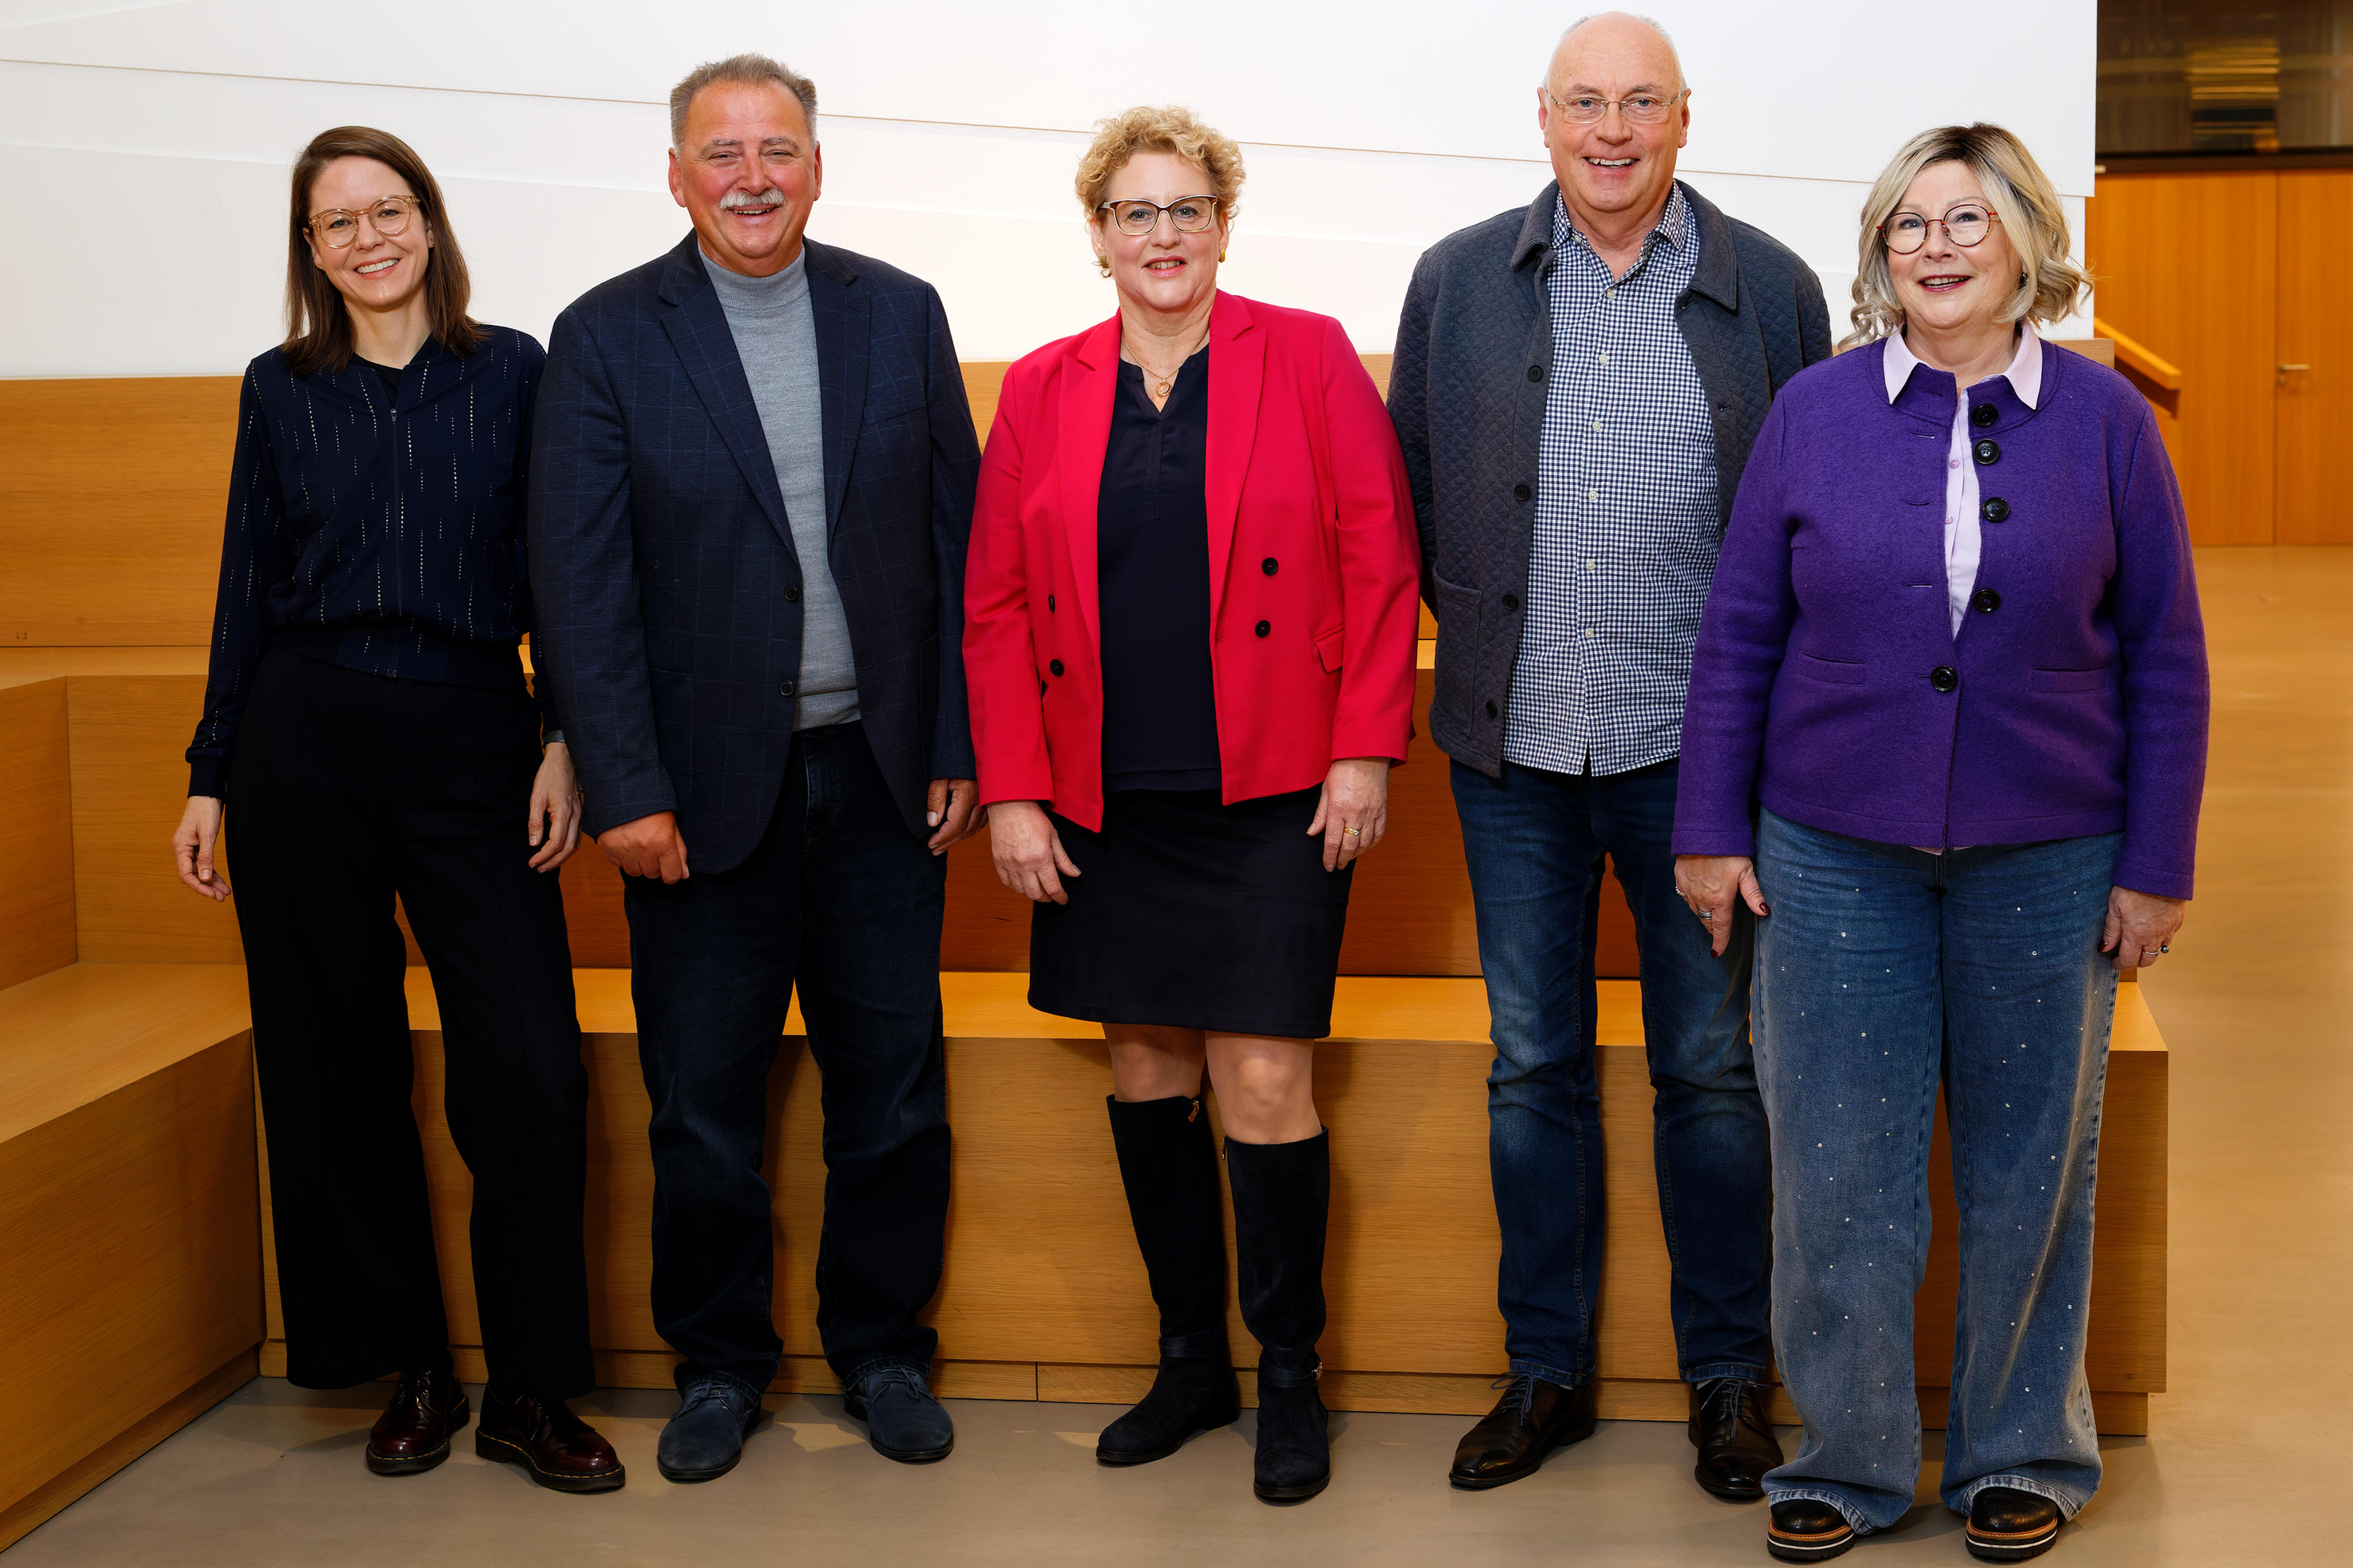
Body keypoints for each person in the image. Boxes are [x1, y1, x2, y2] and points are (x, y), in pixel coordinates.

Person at [1673, 123, 2208, 1564]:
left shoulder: (2107, 423)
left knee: (2032, 1164)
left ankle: (2018, 1452)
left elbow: (2163, 653)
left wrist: (2155, 861)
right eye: (1907, 224)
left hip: (2049, 852)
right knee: (1838, 1166)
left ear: (2027, 240)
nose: (1935, 246)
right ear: (1877, 252)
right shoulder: (1813, 409)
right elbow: (1737, 634)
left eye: (1966, 220)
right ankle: (1842, 1460)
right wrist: (1709, 830)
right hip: (1832, 849)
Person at [1387, 12, 1830, 1497]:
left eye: (1641, 102)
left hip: (1700, 761)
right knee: (1532, 1067)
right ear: (1543, 117)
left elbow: (1807, 532)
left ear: (1685, 119)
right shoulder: (1455, 281)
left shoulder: (1767, 285)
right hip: (1511, 751)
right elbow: (1410, 501)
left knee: (1709, 1071)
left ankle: (1723, 1384)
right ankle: (1545, 1372)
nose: (1612, 129)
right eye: (1586, 103)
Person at [527, 54, 984, 1483]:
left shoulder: (898, 314)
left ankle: (881, 1348)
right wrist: (625, 782)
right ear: (675, 174)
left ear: (815, 164)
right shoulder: (605, 335)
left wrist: (960, 744)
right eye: (720, 152)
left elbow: (961, 550)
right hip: (695, 796)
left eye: (777, 148)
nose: (750, 175)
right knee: (701, 1108)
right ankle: (717, 1365)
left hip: (880, 777)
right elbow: (579, 584)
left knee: (892, 1092)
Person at [964, 104, 1421, 1504]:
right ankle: (1187, 1361)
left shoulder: (1307, 357)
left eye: (1185, 210)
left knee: (1264, 1079)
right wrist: (1015, 793)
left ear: (1224, 225)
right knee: (1147, 1073)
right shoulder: (1040, 387)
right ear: (1096, 236)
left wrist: (1362, 752)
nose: (1161, 236)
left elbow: (1377, 557)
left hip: (1277, 789)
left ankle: (1288, 1369)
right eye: (1133, 213)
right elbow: (990, 606)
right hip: (1103, 797)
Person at [169, 126, 621, 1493]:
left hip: (476, 735)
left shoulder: (515, 373)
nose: (366, 240)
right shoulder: (277, 388)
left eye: (388, 211)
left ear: (429, 221)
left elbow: (560, 567)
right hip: (303, 740)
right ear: (309, 251)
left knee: (531, 1068)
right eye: (335, 224)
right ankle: (409, 1366)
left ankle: (530, 1389)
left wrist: (563, 735)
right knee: (333, 1062)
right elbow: (248, 585)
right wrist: (210, 770)